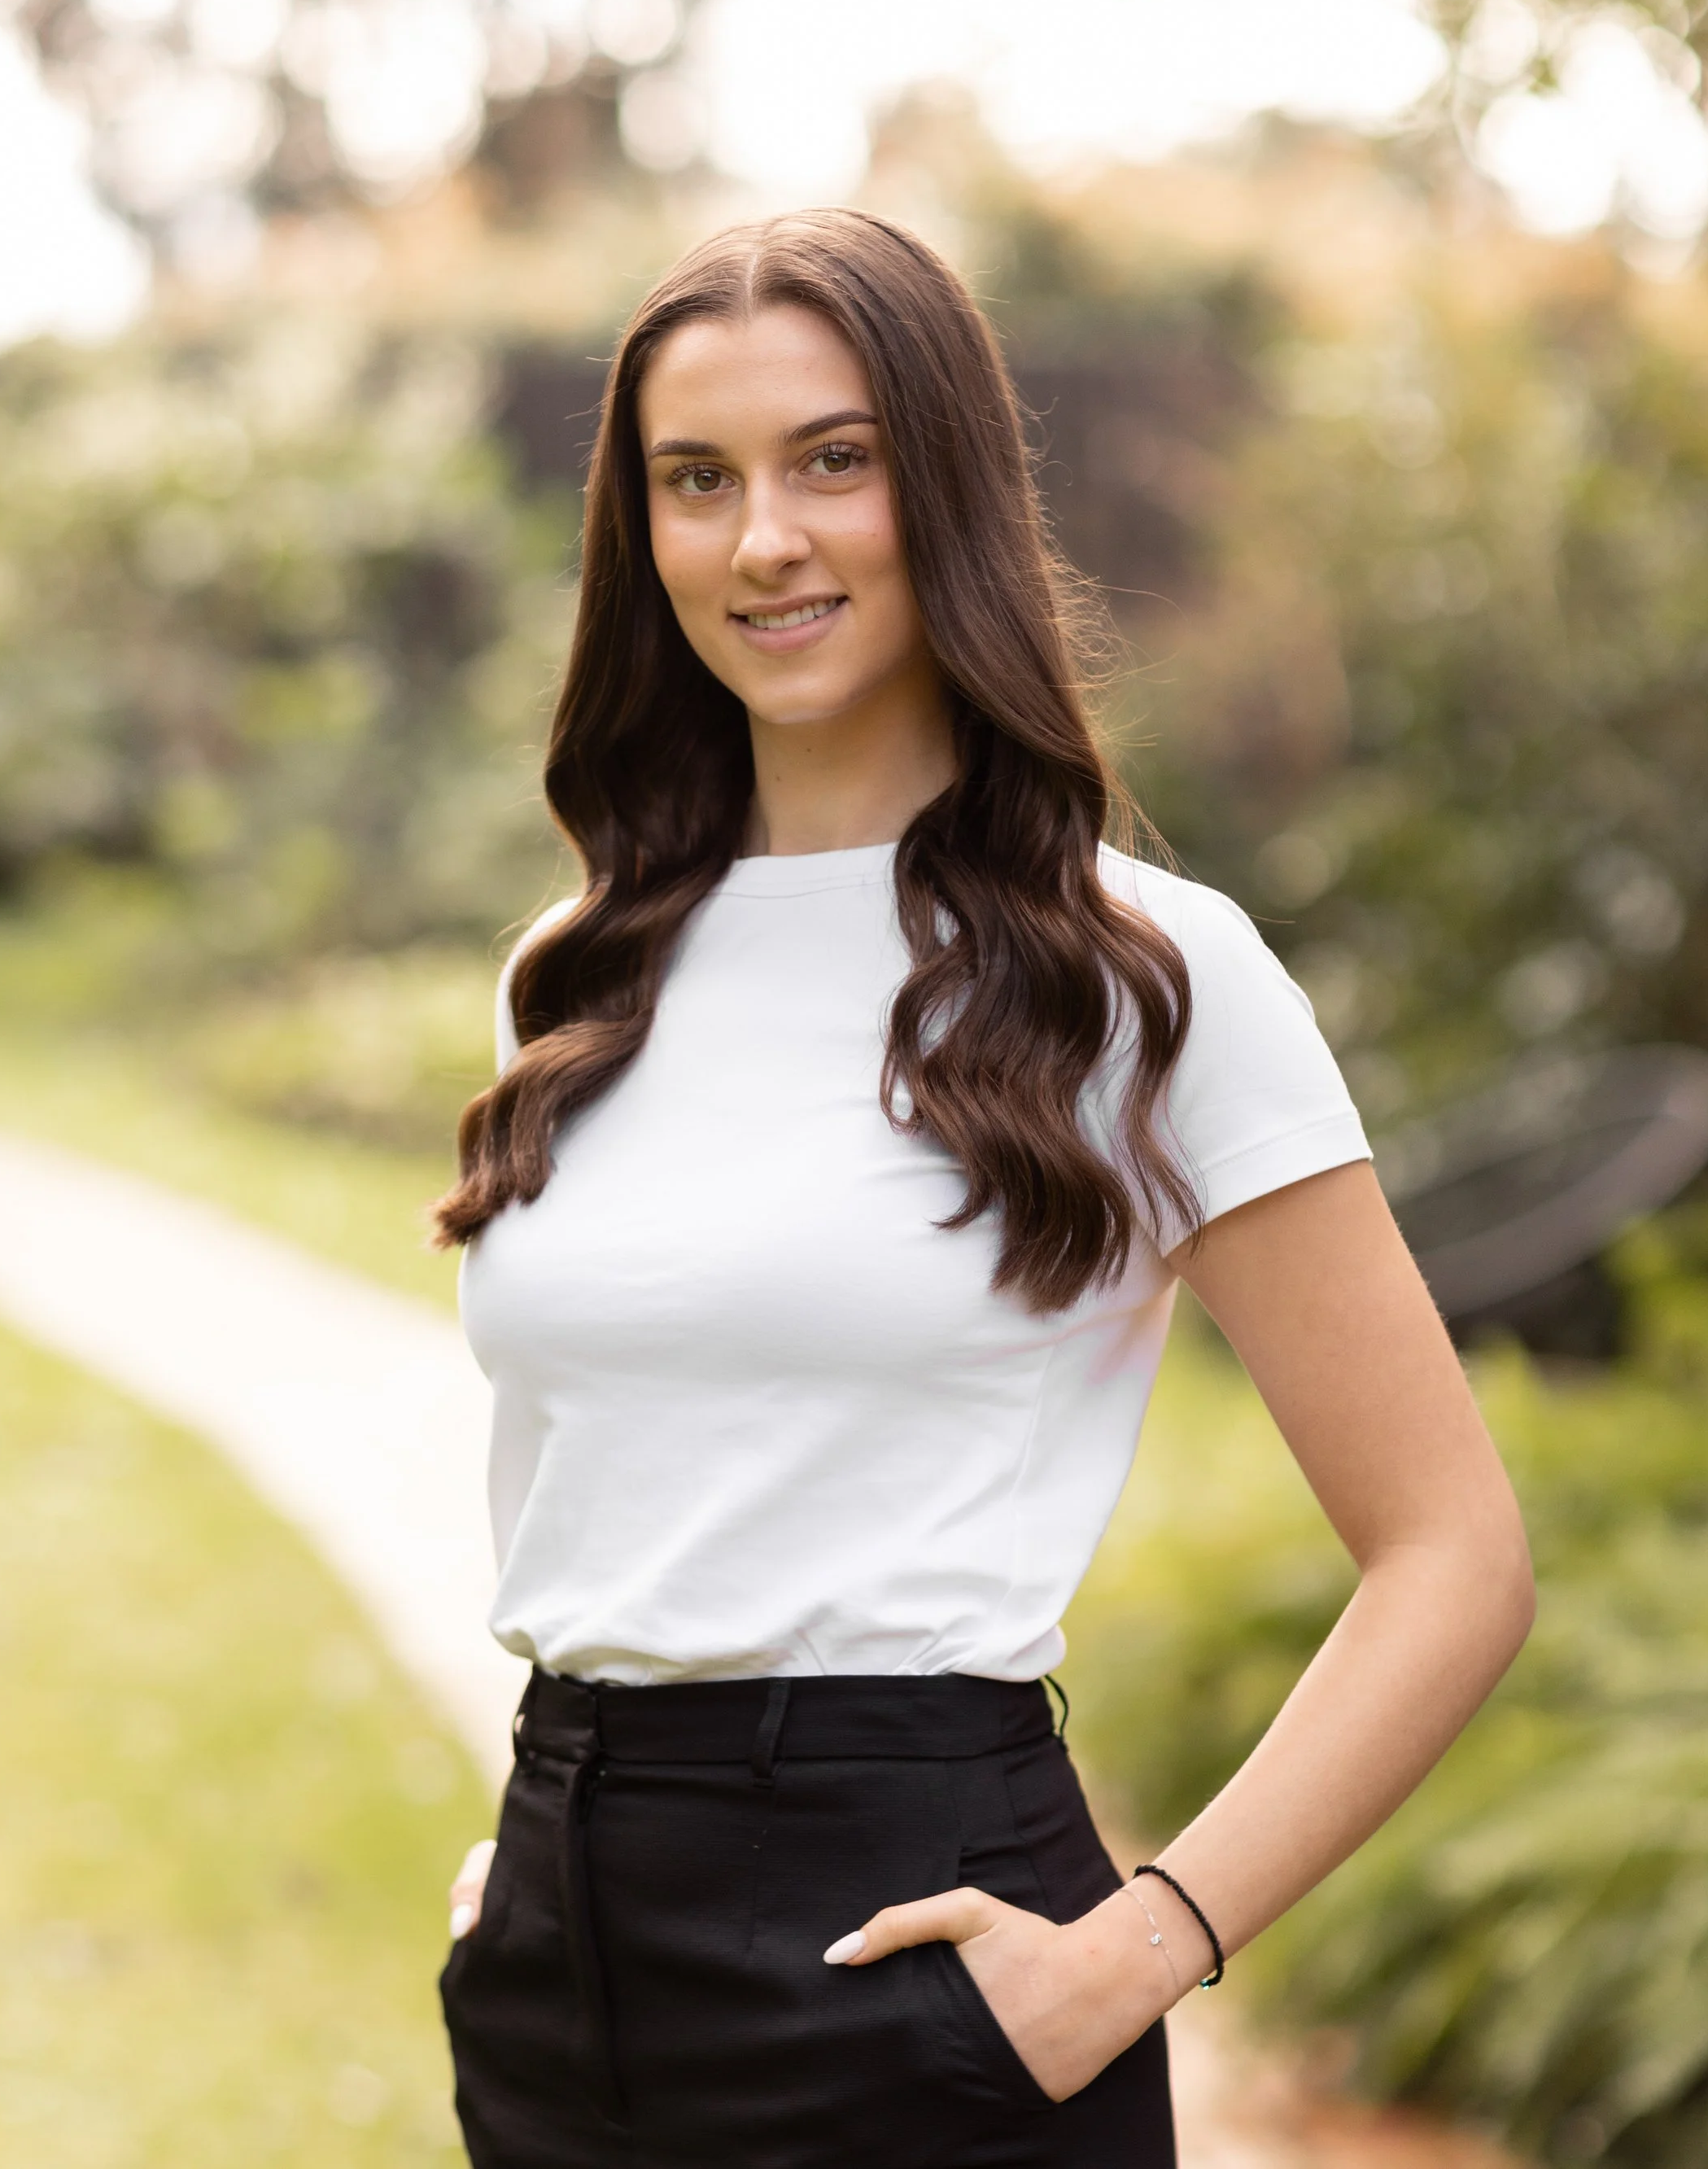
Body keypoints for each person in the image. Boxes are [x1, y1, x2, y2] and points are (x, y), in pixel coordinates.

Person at [430, 208, 1535, 2168]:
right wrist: (534, 1878)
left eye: (828, 462)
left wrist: (1142, 1947)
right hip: (559, 1954)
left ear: (940, 486)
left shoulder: (1143, 976)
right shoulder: (574, 968)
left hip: (919, 1963)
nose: (760, 538)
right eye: (697, 481)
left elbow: (1451, 1556)